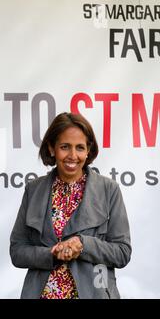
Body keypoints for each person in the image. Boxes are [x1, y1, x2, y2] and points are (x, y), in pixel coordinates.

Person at [10, 112, 131, 299]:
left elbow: (122, 253)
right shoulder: (33, 190)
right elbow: (17, 251)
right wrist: (51, 253)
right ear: (52, 148)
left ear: (88, 150)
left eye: (80, 148)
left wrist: (83, 244)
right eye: (65, 147)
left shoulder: (109, 190)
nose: (73, 156)